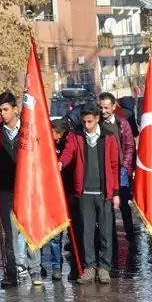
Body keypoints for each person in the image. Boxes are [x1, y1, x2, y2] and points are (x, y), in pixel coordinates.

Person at [59, 103, 122, 284]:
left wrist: (116, 192)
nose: (86, 125)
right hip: (84, 193)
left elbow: (114, 165)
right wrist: (61, 164)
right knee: (86, 231)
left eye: (90, 121)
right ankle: (89, 267)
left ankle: (104, 267)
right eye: (84, 121)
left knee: (105, 232)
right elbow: (68, 153)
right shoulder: (76, 136)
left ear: (97, 119)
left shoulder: (108, 138)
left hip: (104, 192)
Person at [0, 93, 38, 287]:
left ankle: (35, 270)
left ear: (15, 109)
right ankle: (12, 270)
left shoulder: (29, 130)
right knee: (10, 233)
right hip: (6, 189)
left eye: (5, 109)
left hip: (27, 189)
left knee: (29, 230)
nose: (2, 114)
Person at [99, 92, 137, 250]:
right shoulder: (97, 123)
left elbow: (129, 145)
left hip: (120, 169)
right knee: (106, 205)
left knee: (122, 202)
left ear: (114, 107)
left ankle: (130, 235)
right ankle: (109, 239)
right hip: (103, 169)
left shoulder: (122, 124)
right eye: (101, 107)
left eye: (106, 108)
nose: (103, 111)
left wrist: (126, 166)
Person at [46, 118, 74, 281]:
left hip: (68, 192)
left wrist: (61, 163)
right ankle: (56, 266)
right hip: (53, 193)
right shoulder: (47, 145)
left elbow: (68, 156)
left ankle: (77, 266)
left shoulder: (69, 142)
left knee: (72, 232)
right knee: (55, 234)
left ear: (60, 133)